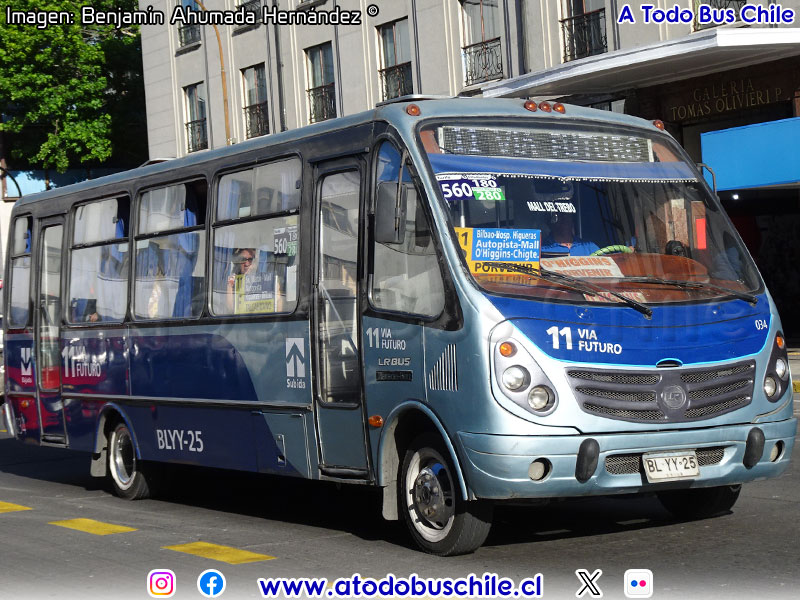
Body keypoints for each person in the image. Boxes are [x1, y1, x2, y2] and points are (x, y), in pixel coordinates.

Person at [226, 247, 255, 313]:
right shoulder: (233, 279)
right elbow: (230, 308)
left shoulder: (259, 278)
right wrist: (230, 286)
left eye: (250, 259)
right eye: (243, 259)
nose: (246, 264)